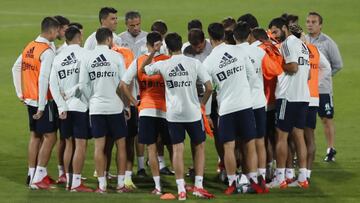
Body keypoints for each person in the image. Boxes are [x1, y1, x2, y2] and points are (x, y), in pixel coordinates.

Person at [140, 32, 215, 200]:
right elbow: (209, 87)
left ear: (167, 46)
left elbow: (143, 69)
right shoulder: (194, 63)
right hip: (193, 112)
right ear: (181, 44)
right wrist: (202, 103)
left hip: (173, 114)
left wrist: (153, 51)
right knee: (199, 147)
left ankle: (181, 190)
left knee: (177, 149)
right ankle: (198, 186)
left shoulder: (164, 65)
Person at [203, 22, 265, 195]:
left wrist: (207, 114)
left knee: (229, 147)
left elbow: (209, 88)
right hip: (246, 105)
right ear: (224, 36)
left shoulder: (208, 62)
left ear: (209, 39)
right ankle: (252, 180)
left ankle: (232, 182)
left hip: (226, 109)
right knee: (249, 143)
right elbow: (252, 77)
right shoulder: (239, 51)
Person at [121, 31, 172, 195]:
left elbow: (123, 84)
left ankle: (157, 187)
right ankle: (181, 184)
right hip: (166, 111)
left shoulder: (139, 61)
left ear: (147, 44)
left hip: (146, 110)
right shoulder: (168, 60)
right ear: (160, 43)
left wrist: (135, 102)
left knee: (151, 148)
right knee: (174, 147)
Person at [12, 17, 60, 189]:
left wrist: (20, 92)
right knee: (51, 136)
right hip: (43, 100)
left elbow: (15, 67)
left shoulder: (30, 46)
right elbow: (43, 79)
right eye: (57, 31)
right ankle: (39, 178)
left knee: (35, 136)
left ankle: (32, 174)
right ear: (52, 31)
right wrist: (41, 106)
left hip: (30, 99)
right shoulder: (46, 51)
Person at [79, 28, 128, 193]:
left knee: (99, 147)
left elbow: (83, 85)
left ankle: (102, 185)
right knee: (121, 145)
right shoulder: (117, 56)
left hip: (96, 108)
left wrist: (91, 99)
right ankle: (121, 184)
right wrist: (126, 105)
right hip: (115, 106)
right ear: (109, 40)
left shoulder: (87, 58)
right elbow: (123, 84)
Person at [266, 17, 310, 189]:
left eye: (276, 31)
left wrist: (275, 64)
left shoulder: (287, 44)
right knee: (299, 137)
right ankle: (303, 177)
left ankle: (280, 178)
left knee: (281, 136)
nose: (275, 36)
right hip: (302, 96)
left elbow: (293, 67)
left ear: (285, 28)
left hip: (288, 96)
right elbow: (308, 75)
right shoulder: (303, 46)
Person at [49, 26, 92, 192]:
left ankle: (68, 179)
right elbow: (85, 82)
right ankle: (76, 183)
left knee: (68, 143)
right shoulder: (85, 54)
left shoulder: (58, 57)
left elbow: (52, 84)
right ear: (79, 37)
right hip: (81, 105)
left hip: (64, 108)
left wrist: (60, 105)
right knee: (80, 144)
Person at [290, 24, 332, 181]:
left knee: (295, 136)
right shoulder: (314, 50)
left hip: (299, 96)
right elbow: (326, 68)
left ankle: (297, 174)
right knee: (310, 136)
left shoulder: (293, 50)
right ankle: (306, 174)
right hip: (313, 97)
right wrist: (316, 83)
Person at [305, 11, 343, 162]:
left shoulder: (328, 42)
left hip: (323, 90)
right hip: (306, 90)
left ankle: (330, 149)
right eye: (308, 21)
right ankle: (308, 149)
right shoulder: (304, 41)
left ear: (320, 25)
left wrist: (322, 78)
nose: (310, 24)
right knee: (306, 122)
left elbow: (338, 65)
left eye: (314, 22)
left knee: (326, 118)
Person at [249, 28, 284, 182]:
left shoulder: (258, 51)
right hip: (278, 98)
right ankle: (275, 170)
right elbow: (279, 69)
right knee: (275, 136)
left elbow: (270, 71)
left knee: (261, 139)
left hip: (262, 100)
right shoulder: (274, 47)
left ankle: (263, 172)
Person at [119, 11, 148, 176]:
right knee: (130, 134)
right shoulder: (119, 39)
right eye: (132, 25)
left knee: (142, 131)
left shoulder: (148, 38)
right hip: (128, 93)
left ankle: (142, 166)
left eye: (138, 24)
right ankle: (129, 170)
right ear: (126, 24)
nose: (136, 28)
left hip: (145, 92)